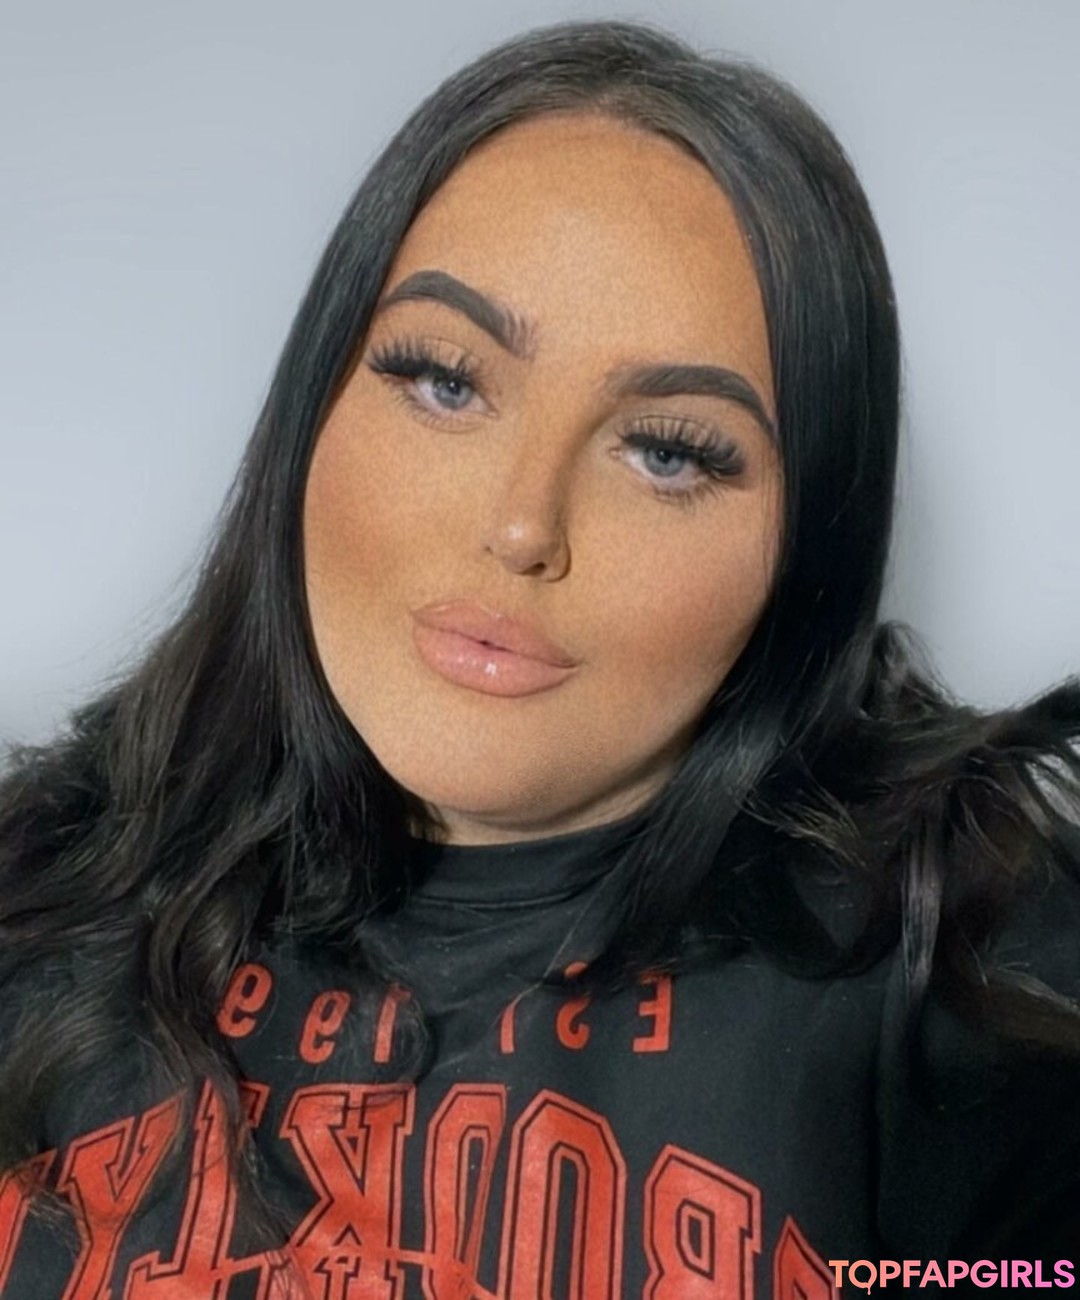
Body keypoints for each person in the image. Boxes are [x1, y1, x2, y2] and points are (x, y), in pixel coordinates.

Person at [1, 18, 1078, 1299]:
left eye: (668, 451)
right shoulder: (29, 901)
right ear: (313, 404)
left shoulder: (982, 980)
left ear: (810, 546)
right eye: (444, 381)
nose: (522, 525)